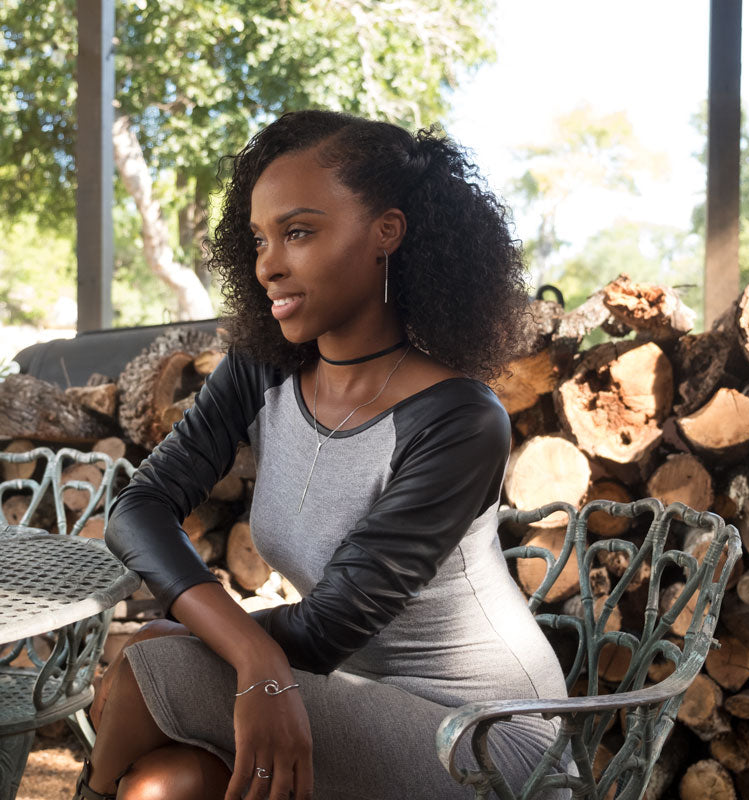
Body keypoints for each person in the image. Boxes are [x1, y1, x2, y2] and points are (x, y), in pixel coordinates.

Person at [74, 110, 571, 800]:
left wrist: (223, 648)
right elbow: (139, 508)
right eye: (259, 239)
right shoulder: (262, 371)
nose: (268, 264)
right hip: (347, 692)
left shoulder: (460, 421)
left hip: (485, 736)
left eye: (299, 232)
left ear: (386, 232)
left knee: (146, 664)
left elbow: (329, 628)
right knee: (168, 784)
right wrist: (251, 653)